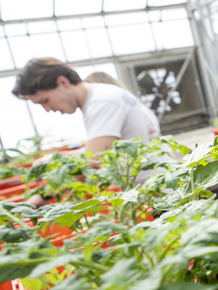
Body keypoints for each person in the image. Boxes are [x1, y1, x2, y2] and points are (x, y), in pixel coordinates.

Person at [11, 58, 161, 205]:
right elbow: (91, 158)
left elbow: (93, 160)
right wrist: (53, 165)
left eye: (45, 100)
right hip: (151, 191)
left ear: (63, 82)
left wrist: (42, 192)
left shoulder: (102, 101)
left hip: (159, 195)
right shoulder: (98, 99)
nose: (47, 109)